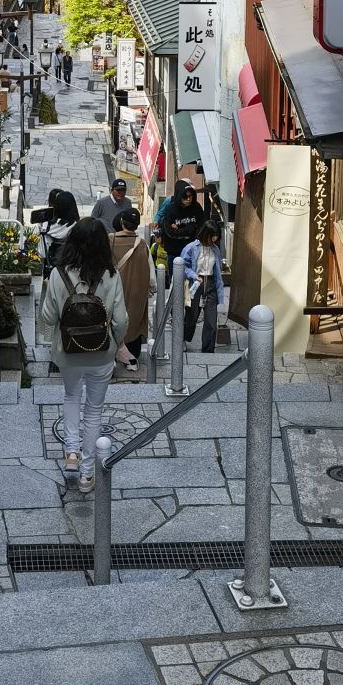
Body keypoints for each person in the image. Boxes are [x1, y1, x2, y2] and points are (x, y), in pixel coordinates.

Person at [37, 217, 127, 489]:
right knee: (94, 410)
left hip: (68, 351)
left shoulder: (58, 273)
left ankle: (71, 453)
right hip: (101, 353)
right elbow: (121, 320)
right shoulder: (111, 276)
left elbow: (48, 317)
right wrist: (115, 343)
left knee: (72, 396)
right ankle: (88, 473)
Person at [110, 210, 151, 373]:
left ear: (121, 222)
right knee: (134, 324)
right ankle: (132, 359)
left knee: (113, 321)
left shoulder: (110, 240)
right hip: (137, 293)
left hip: (115, 292)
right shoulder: (142, 244)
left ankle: (113, 357)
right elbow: (151, 273)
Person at [180, 220, 225, 353]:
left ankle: (208, 349)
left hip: (210, 283)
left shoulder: (215, 249)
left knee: (211, 320)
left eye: (216, 237)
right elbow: (182, 266)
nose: (214, 240)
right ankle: (183, 338)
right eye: (212, 236)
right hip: (196, 283)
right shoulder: (191, 248)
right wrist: (194, 275)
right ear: (205, 234)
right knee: (191, 318)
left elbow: (217, 269)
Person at [155, 177, 204, 263]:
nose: (188, 199)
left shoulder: (196, 207)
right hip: (174, 251)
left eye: (190, 196)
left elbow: (202, 226)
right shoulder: (170, 209)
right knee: (174, 275)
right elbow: (170, 232)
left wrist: (181, 230)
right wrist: (190, 229)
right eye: (185, 196)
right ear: (179, 195)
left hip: (192, 250)